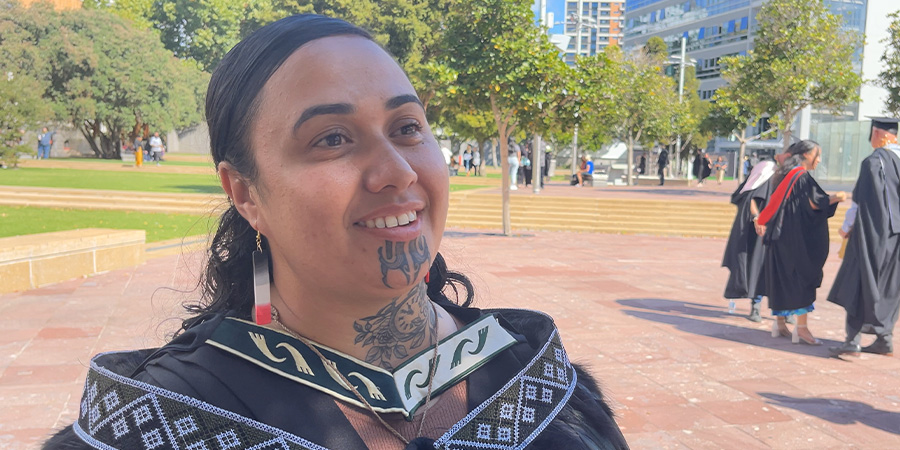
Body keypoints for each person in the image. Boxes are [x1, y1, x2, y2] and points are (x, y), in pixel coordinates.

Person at [44, 16, 628, 450]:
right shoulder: (160, 422)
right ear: (245, 193)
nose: (398, 172)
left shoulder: (540, 384)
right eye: (332, 138)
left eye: (407, 127)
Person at [754, 140, 847, 345]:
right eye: (817, 155)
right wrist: (837, 197)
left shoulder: (784, 175)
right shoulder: (802, 176)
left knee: (782, 277)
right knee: (802, 277)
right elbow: (816, 203)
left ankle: (779, 324)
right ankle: (802, 329)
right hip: (796, 240)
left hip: (779, 237)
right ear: (805, 155)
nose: (819, 160)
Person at [828, 117, 900, 357]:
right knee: (890, 285)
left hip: (871, 234)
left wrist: (846, 227)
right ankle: (884, 338)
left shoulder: (873, 162)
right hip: (897, 237)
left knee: (859, 281)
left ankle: (852, 341)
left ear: (878, 133)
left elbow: (859, 202)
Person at [722, 159, 775, 322]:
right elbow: (751, 199)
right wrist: (757, 218)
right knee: (757, 268)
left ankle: (784, 311)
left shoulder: (774, 180)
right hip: (757, 234)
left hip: (773, 231)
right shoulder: (760, 182)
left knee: (775, 270)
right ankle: (756, 306)